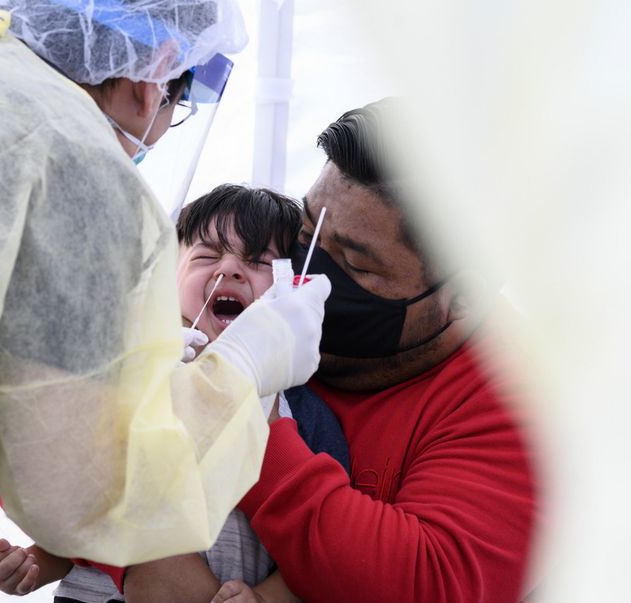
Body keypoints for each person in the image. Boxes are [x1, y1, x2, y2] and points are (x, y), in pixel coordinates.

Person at [0, 2, 332, 601]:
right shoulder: (79, 163)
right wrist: (244, 365)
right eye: (177, 103)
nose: (159, 128)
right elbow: (89, 495)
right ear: (155, 69)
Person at [209, 99, 538, 602]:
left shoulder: (521, 403)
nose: (311, 271)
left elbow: (425, 581)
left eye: (357, 265)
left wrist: (247, 428)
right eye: (307, 232)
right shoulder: (264, 297)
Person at [0, 184, 349, 603]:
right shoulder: (126, 373)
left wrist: (266, 597)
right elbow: (87, 503)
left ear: (290, 284)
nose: (228, 269)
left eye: (257, 261)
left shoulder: (301, 411)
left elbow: (322, 545)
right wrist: (35, 563)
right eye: (207, 255)